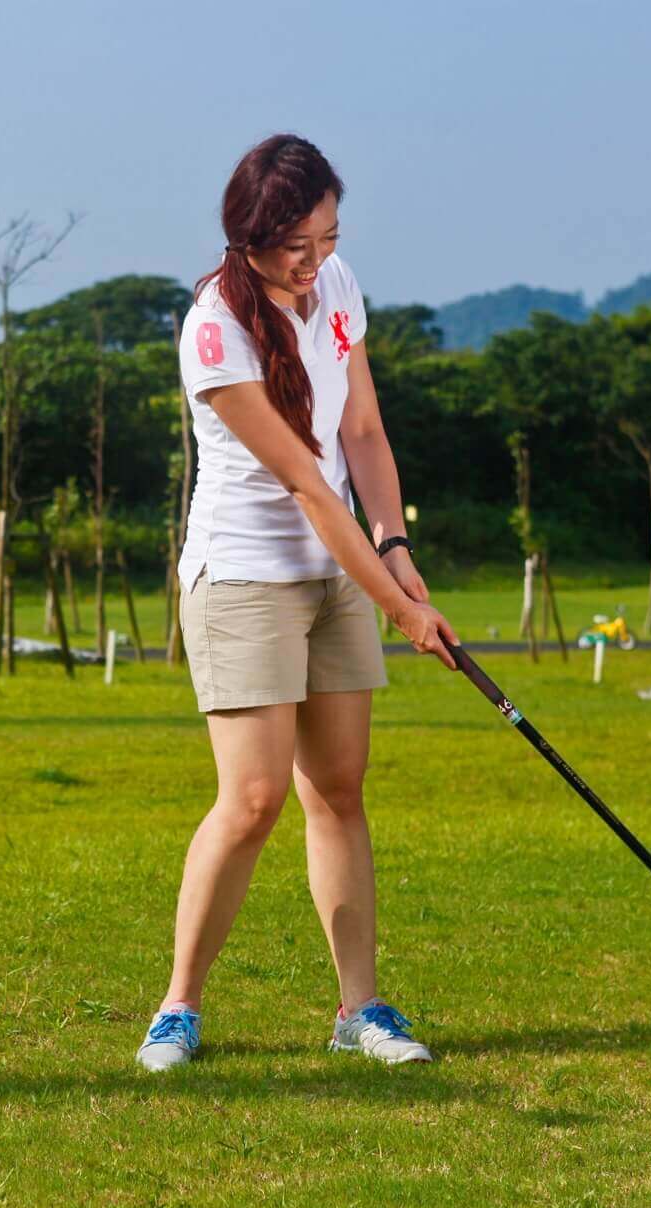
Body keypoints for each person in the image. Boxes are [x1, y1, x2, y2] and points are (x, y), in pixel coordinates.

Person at [137, 134, 461, 1072]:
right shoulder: (215, 331)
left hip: (338, 570)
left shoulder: (341, 286)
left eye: (324, 237)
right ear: (246, 237)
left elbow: (360, 429)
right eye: (292, 245)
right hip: (244, 575)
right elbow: (309, 487)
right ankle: (179, 1008)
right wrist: (401, 610)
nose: (311, 260)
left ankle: (360, 1010)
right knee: (251, 798)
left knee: (340, 790)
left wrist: (397, 548)